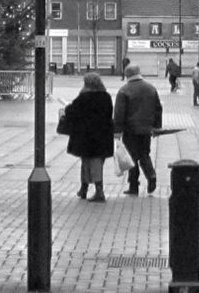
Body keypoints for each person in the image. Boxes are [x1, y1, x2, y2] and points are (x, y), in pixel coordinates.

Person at [61, 71, 113, 202]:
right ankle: (83, 189)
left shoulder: (84, 97)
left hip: (86, 136)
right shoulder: (106, 97)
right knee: (93, 161)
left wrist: (66, 108)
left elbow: (72, 111)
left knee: (90, 162)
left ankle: (98, 191)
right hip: (102, 135)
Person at [113, 63, 162, 195]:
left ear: (127, 75)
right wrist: (157, 127)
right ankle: (151, 175)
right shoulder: (151, 88)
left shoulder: (124, 90)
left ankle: (133, 186)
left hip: (130, 130)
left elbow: (119, 113)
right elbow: (158, 109)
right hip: (146, 129)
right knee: (144, 154)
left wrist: (117, 131)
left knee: (132, 157)